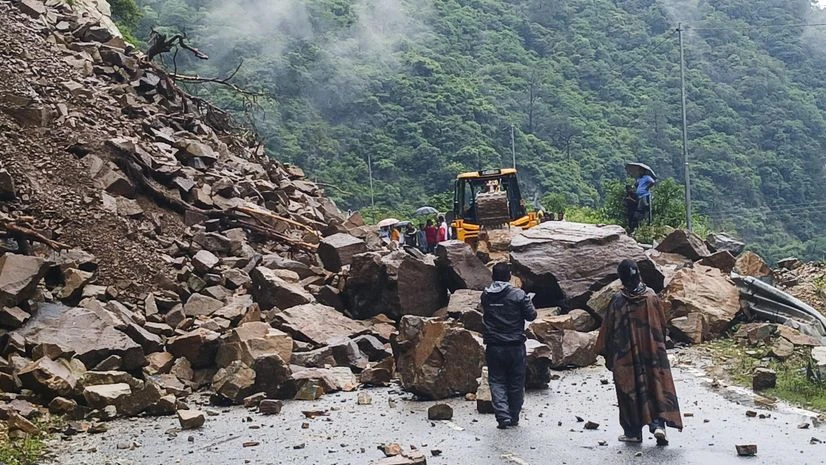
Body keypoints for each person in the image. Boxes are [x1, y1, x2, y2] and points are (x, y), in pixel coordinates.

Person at [595, 259, 683, 445]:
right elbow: (661, 326)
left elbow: (608, 330)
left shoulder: (618, 300)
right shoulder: (651, 297)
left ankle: (633, 433)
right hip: (652, 353)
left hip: (626, 357)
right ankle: (658, 426)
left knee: (629, 391)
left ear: (621, 278)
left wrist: (607, 353)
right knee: (655, 386)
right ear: (639, 276)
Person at [481, 263, 537, 429]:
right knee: (516, 382)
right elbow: (531, 315)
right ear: (509, 276)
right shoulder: (519, 295)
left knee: (496, 381)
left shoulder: (486, 295)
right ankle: (513, 416)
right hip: (515, 345)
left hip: (494, 346)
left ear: (493, 277)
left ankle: (502, 415)